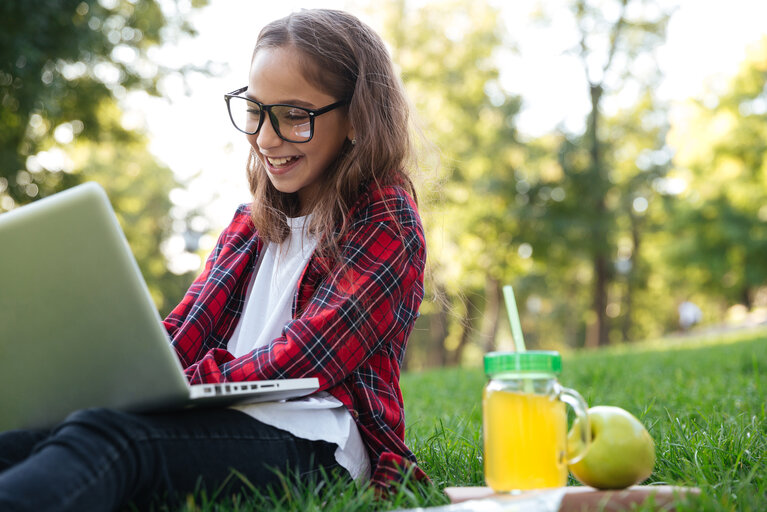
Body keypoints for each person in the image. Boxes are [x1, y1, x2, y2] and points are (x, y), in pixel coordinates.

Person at [0, 8, 427, 510]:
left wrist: (178, 389)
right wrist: (113, 375)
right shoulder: (248, 225)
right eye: (256, 111)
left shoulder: (385, 219)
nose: (267, 139)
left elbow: (306, 358)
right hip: (215, 418)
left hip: (316, 443)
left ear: (357, 117)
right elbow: (181, 338)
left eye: (295, 116)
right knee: (24, 441)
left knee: (113, 440)